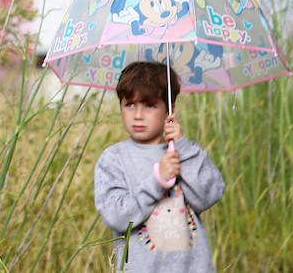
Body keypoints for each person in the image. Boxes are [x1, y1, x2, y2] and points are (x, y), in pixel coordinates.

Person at [94, 62, 225, 272]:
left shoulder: (184, 152)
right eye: (129, 104)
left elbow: (211, 194)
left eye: (149, 105)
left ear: (170, 109)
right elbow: (116, 216)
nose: (138, 115)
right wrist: (158, 181)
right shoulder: (114, 159)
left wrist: (183, 148)